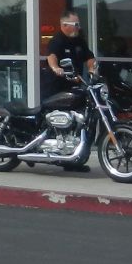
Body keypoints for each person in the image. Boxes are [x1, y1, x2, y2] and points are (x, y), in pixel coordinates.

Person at [43, 10, 96, 171]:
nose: (78, 27)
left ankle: (75, 159)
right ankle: (57, 153)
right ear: (65, 25)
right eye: (76, 25)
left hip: (74, 86)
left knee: (80, 121)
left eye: (78, 25)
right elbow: (51, 56)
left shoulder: (79, 41)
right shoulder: (57, 40)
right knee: (60, 122)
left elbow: (89, 57)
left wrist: (92, 70)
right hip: (56, 87)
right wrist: (56, 68)